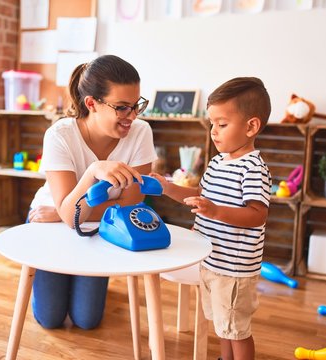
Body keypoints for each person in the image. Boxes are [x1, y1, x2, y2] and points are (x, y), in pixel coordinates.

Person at [27, 55, 157, 330]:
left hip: (91, 222)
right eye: (122, 108)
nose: (132, 116)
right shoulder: (59, 135)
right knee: (50, 319)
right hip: (47, 221)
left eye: (137, 106)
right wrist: (92, 171)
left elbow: (134, 200)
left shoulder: (140, 132)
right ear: (91, 104)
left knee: (87, 320)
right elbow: (69, 212)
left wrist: (69, 212)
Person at [150, 77, 271, 360]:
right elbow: (200, 195)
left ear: (251, 126)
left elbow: (257, 215)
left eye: (223, 124)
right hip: (213, 261)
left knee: (236, 329)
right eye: (212, 124)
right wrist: (168, 187)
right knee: (223, 325)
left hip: (235, 268)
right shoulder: (218, 162)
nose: (214, 132)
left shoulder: (253, 168)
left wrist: (215, 211)